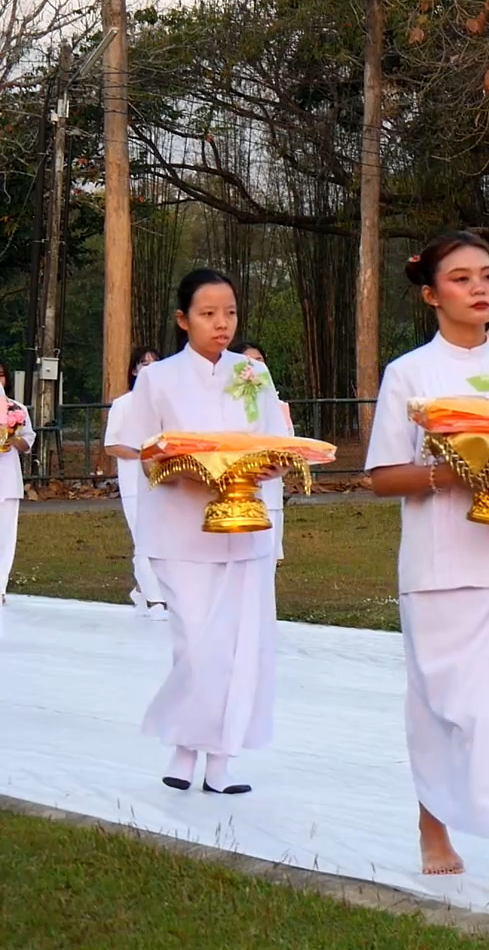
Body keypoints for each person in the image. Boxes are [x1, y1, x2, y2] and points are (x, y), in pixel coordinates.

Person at [365, 230, 489, 894]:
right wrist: (455, 473)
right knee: (441, 706)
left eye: (488, 276)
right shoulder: (410, 374)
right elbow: (384, 475)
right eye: (462, 279)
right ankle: (433, 825)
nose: (480, 289)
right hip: (439, 564)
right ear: (431, 294)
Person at [113, 269, 292, 794]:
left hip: (246, 526)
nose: (221, 324)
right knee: (196, 644)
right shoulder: (158, 378)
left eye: (230, 312)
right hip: (181, 530)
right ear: (183, 319)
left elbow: (276, 443)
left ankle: (218, 760)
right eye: (209, 313)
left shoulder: (254, 375)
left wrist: (263, 468)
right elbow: (137, 449)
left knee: (241, 647)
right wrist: (187, 465)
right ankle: (184, 744)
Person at [102, 346, 166, 618]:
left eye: (155, 363)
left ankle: (143, 589)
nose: (149, 368)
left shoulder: (168, 403)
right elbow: (112, 445)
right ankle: (155, 599)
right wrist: (142, 455)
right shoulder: (123, 404)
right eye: (144, 363)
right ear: (134, 370)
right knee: (144, 538)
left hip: (165, 481)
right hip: (134, 482)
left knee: (164, 538)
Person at [229, 341, 289, 561]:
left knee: (266, 560)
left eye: (259, 360)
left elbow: (285, 441)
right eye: (248, 361)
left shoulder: (276, 404)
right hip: (232, 491)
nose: (254, 365)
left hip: (268, 488)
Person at [0, 364, 36, 606]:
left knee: (5, 535)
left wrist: (13, 438)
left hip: (8, 477)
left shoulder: (17, 409)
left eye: (0, 374)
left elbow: (27, 443)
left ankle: (0, 585)